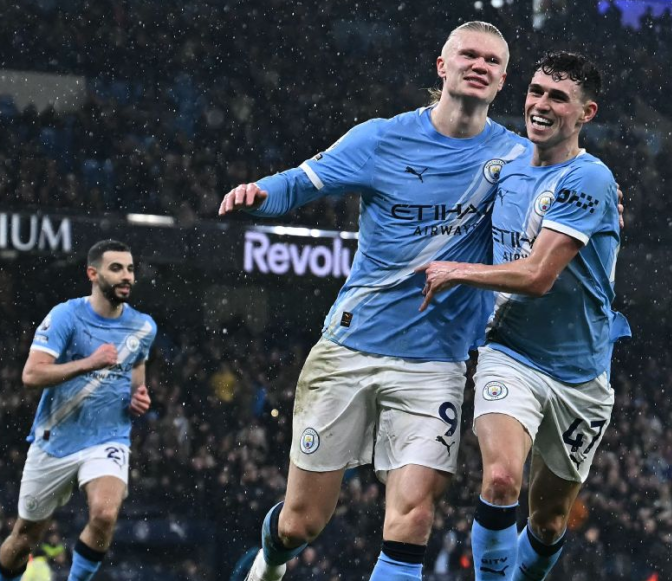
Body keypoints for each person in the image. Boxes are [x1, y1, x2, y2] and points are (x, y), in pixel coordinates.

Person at [222, 20, 533, 581]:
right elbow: (300, 182)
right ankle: (269, 561)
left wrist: (602, 206)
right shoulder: (381, 139)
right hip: (350, 348)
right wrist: (259, 195)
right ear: (442, 67)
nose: (479, 65)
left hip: (436, 364)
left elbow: (565, 205)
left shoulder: (517, 158)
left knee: (412, 517)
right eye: (468, 54)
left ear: (502, 80)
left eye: (491, 60)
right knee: (301, 524)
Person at [418, 51, 630, 581]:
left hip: (581, 377)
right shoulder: (506, 167)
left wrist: (456, 271)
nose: (540, 104)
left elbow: (538, 276)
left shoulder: (591, 179)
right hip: (510, 353)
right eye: (536, 91)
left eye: (558, 97)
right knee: (501, 483)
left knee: (550, 519)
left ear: (587, 113)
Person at [0, 240, 156, 581]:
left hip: (108, 438)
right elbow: (31, 375)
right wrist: (89, 363)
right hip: (55, 440)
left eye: (130, 269)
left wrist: (138, 401)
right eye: (116, 269)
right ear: (92, 273)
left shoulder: (143, 327)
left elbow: (135, 387)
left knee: (104, 514)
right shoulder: (66, 315)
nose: (126, 277)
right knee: (24, 540)